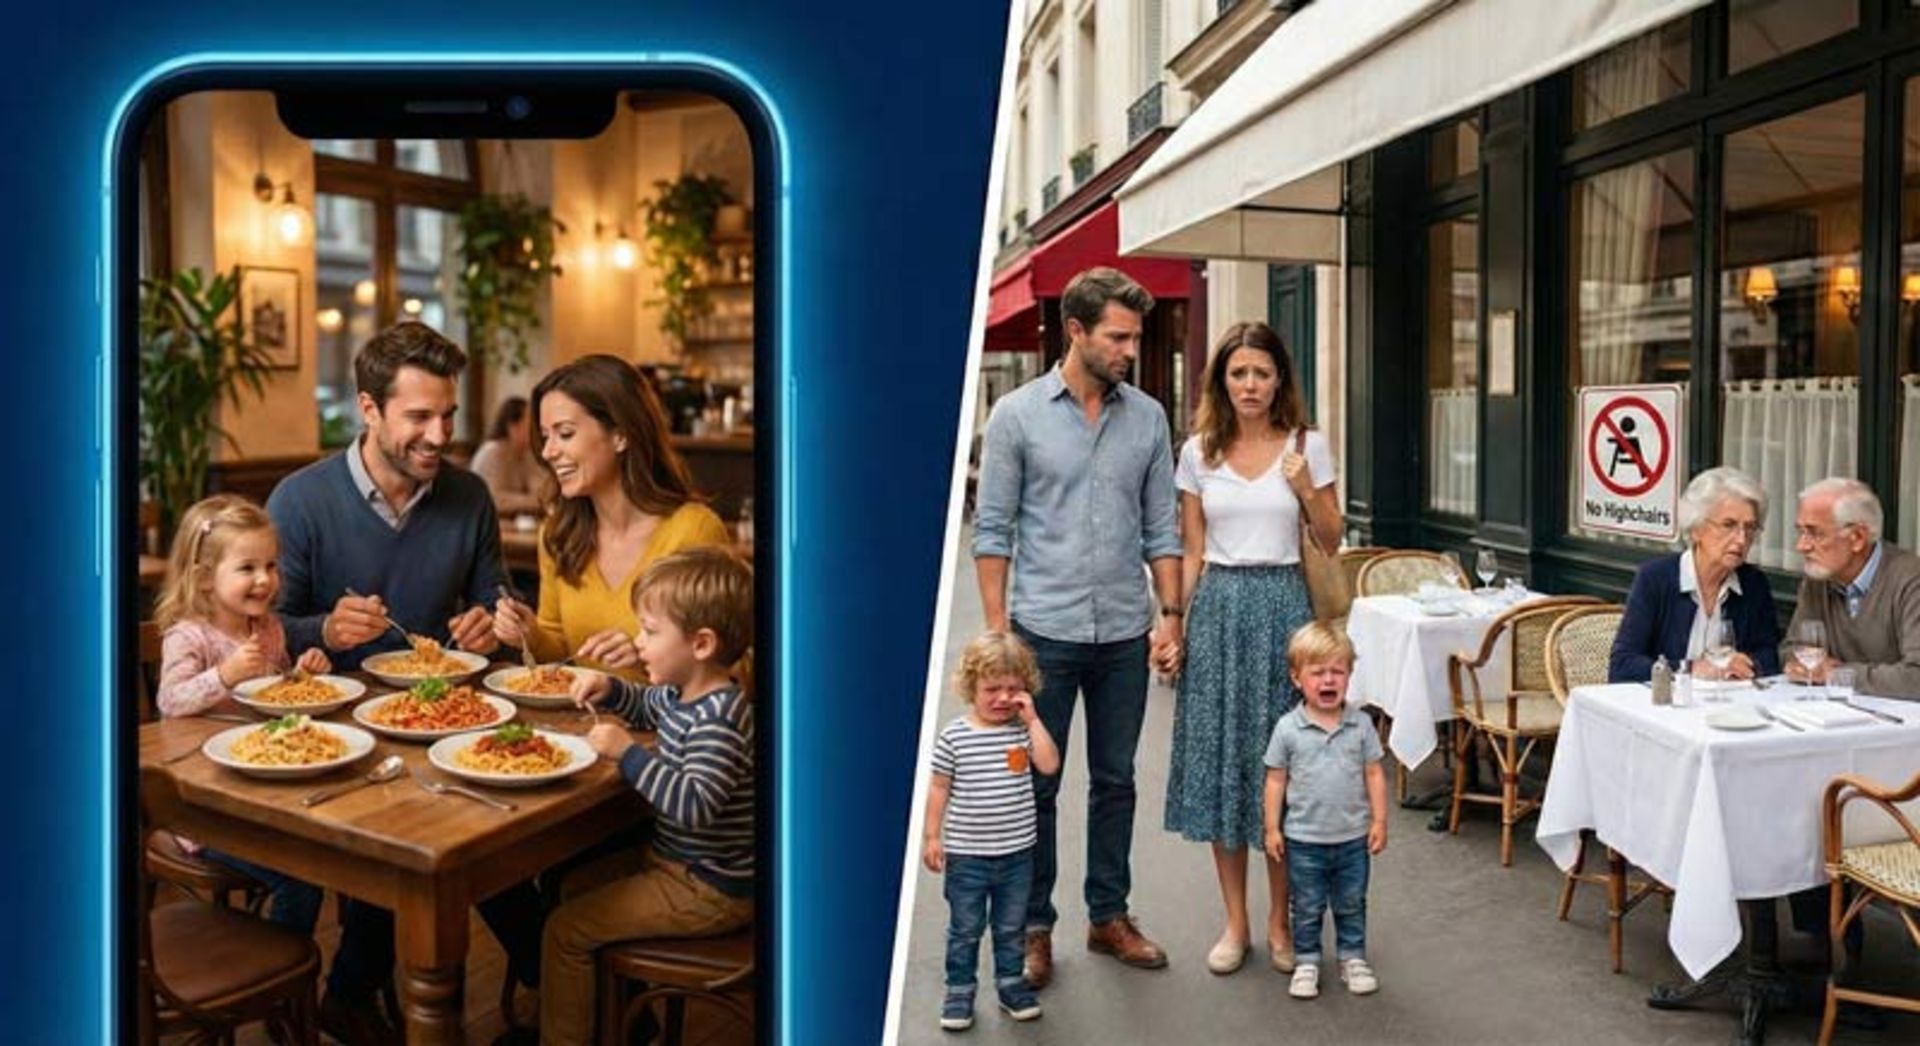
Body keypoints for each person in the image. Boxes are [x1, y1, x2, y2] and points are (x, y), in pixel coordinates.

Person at [265, 322, 534, 1044]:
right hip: (334, 732)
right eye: (419, 416)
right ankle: (549, 983)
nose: (438, 433)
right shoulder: (300, 500)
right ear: (369, 408)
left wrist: (492, 623)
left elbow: (497, 601)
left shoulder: (469, 496)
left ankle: (547, 986)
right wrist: (322, 630)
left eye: (446, 415)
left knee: (485, 829)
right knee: (423, 832)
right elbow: (261, 629)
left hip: (443, 716)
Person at [972, 266, 1183, 985]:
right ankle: (1035, 926)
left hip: (1124, 632)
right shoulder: (1017, 417)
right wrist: (1000, 636)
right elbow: (992, 531)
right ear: (1076, 331)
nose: (1129, 349)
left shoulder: (1149, 418)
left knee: (1117, 780)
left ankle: (1108, 916)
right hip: (1043, 637)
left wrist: (1171, 617)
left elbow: (1162, 529)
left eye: (1135, 337)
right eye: (1118, 336)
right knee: (1034, 786)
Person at [1163, 321, 1340, 977]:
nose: (1250, 384)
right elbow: (1191, 548)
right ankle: (1236, 921)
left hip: (1285, 609)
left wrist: (1302, 487)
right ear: (1221, 380)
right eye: (1238, 372)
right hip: (1218, 612)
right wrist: (1174, 623)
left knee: (1285, 774)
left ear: (1279, 379)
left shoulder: (1306, 446)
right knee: (1224, 771)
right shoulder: (1198, 452)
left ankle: (1280, 919)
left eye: (1261, 373)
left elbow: (1330, 539)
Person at [537, 547, 756, 1046]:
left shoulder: (718, 718)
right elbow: (644, 702)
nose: (639, 643)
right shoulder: (686, 694)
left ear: (700, 643)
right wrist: (608, 688)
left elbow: (695, 805)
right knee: (569, 888)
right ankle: (616, 1027)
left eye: (650, 632)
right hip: (679, 867)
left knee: (564, 931)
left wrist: (627, 755)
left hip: (709, 887)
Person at [152, 493, 330, 932]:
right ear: (206, 578)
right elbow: (170, 700)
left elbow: (276, 693)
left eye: (271, 566)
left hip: (257, 790)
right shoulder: (189, 636)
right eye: (247, 568)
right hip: (201, 808)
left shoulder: (268, 628)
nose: (265, 580)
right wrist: (225, 675)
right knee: (301, 878)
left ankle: (295, 978)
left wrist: (301, 676)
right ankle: (280, 981)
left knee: (325, 851)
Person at [493, 354, 732, 681]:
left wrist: (648, 655)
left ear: (621, 435)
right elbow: (560, 644)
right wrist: (530, 633)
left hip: (668, 728)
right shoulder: (557, 533)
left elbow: (734, 667)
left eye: (564, 434)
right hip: (582, 724)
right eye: (545, 436)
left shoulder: (693, 531)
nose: (548, 451)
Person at [922, 632, 1061, 1031]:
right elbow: (939, 787)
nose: (1002, 698)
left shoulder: (1022, 731)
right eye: (992, 689)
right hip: (968, 857)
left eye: (1013, 689)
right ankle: (960, 989)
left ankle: (1011, 984)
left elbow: (1049, 764)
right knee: (966, 928)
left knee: (1010, 926)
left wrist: (1032, 718)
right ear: (971, 688)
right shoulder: (955, 737)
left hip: (1017, 855)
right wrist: (933, 836)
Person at [1261, 623, 1387, 1001]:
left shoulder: (1361, 725)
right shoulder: (1288, 729)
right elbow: (1275, 781)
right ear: (1297, 678)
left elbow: (1374, 772)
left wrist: (1379, 820)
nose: (1328, 680)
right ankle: (1307, 961)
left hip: (1352, 838)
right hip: (1304, 839)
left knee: (1351, 901)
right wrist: (1272, 828)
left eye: (1338, 671)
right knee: (1307, 905)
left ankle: (1352, 958)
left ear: (1349, 675)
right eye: (1318, 673)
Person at [1609, 466, 1781, 683]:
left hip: (1728, 707)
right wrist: (1690, 669)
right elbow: (1623, 665)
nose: (1741, 539)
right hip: (1665, 707)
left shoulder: (1753, 583)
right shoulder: (1656, 578)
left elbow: (1769, 657)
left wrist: (1745, 666)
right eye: (1729, 525)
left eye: (1750, 528)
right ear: (1696, 529)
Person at [1785, 478, 1920, 698]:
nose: (1802, 546)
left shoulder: (1911, 580)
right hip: (1836, 714)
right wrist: (1800, 665)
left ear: (1857, 538)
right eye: (1800, 531)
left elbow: (1916, 677)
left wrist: (1839, 674)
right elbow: (1792, 649)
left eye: (1815, 533)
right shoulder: (1818, 578)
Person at [471, 395, 546, 516]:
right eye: (530, 422)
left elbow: (542, 492)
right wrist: (533, 501)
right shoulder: (493, 452)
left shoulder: (525, 453)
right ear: (512, 426)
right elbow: (493, 500)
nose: (537, 429)